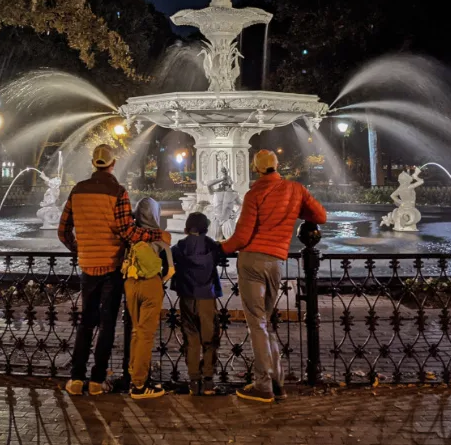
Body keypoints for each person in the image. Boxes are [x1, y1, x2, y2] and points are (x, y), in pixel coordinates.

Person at [59, 144, 172, 396]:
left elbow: (63, 230)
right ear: (113, 164)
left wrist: (79, 249)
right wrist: (156, 233)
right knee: (108, 322)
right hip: (112, 265)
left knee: (86, 322)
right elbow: (128, 231)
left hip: (87, 265)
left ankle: (77, 379)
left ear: (93, 162)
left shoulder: (77, 190)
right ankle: (98, 380)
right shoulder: (117, 192)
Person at [221, 149, 327, 403]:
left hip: (252, 263)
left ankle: (263, 385)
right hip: (274, 264)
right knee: (266, 323)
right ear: (277, 165)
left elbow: (242, 237)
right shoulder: (296, 189)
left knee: (256, 323)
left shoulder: (255, 193)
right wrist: (294, 212)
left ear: (256, 169)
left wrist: (219, 247)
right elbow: (320, 216)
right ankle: (277, 382)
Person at [123, 197, 174, 400]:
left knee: (136, 331)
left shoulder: (130, 236)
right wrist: (159, 282)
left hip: (130, 284)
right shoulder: (160, 237)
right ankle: (139, 385)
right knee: (146, 334)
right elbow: (170, 269)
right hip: (151, 284)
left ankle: (133, 371)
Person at [170, 211, 223, 396]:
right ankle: (208, 380)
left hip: (187, 296)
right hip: (207, 296)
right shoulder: (211, 246)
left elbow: (170, 258)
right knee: (210, 338)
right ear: (206, 228)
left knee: (191, 337)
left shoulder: (180, 247)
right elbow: (220, 255)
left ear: (186, 228)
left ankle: (194, 380)